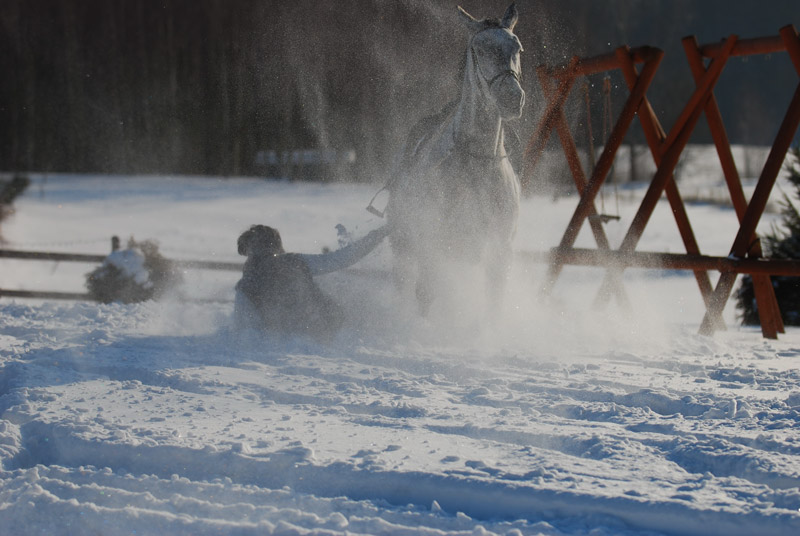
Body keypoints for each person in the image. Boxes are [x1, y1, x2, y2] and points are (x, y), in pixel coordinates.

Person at [233, 224, 390, 340]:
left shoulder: (246, 284)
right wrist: (379, 234)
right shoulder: (295, 262)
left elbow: (245, 329)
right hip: (323, 328)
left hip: (304, 333)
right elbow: (342, 259)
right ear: (276, 245)